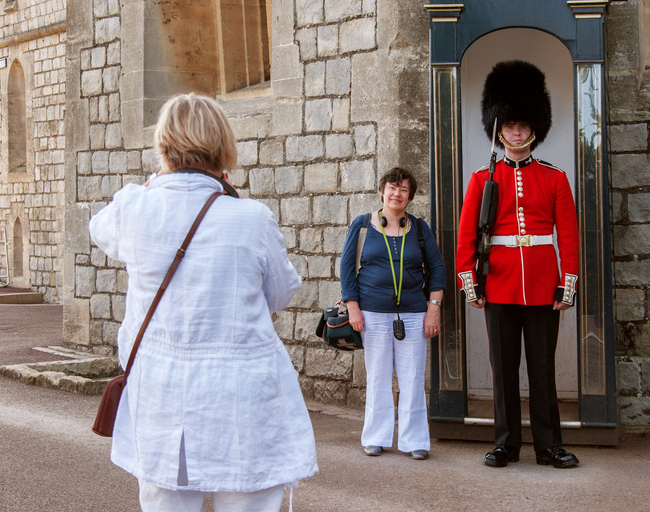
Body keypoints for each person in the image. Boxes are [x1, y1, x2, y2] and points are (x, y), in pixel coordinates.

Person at [89, 93, 317, 511]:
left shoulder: (134, 207)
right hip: (242, 394)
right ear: (223, 148)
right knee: (249, 498)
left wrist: (152, 185)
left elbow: (99, 229)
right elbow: (282, 293)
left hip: (161, 393)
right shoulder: (252, 218)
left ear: (163, 146)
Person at [456, 61, 580, 469]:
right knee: (504, 372)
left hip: (544, 284)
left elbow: (569, 236)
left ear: (534, 129)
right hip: (500, 284)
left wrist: (568, 284)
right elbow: (466, 237)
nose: (516, 131)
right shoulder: (480, 179)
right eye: (508, 124)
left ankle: (549, 446)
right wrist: (471, 284)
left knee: (542, 369)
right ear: (499, 127)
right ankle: (506, 444)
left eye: (523, 125)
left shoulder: (555, 178)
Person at [340, 167, 447, 460]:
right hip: (372, 314)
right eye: (392, 187)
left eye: (403, 189)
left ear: (409, 196)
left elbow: (437, 269)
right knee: (378, 376)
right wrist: (353, 307)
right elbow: (347, 268)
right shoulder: (362, 225)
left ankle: (415, 441)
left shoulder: (420, 228)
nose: (397, 193)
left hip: (413, 314)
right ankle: (375, 437)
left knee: (413, 378)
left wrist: (433, 309)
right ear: (381, 191)